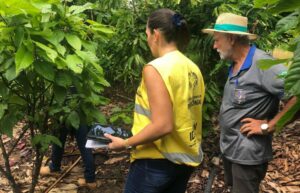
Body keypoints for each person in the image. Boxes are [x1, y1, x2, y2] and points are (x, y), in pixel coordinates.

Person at [104, 8, 205, 193]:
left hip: (155, 161)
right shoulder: (192, 68)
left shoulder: (156, 68)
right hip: (185, 160)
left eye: (147, 33)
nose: (147, 39)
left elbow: (163, 125)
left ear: (156, 34)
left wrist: (125, 144)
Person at [202, 13, 297, 193]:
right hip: (231, 149)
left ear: (231, 39)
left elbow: (297, 95)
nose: (214, 45)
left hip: (247, 154)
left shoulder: (264, 64)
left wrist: (269, 126)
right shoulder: (237, 63)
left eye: (217, 40)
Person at [40, 124, 97, 189]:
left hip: (65, 115)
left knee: (59, 139)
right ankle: (90, 180)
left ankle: (54, 167)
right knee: (84, 144)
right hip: (79, 116)